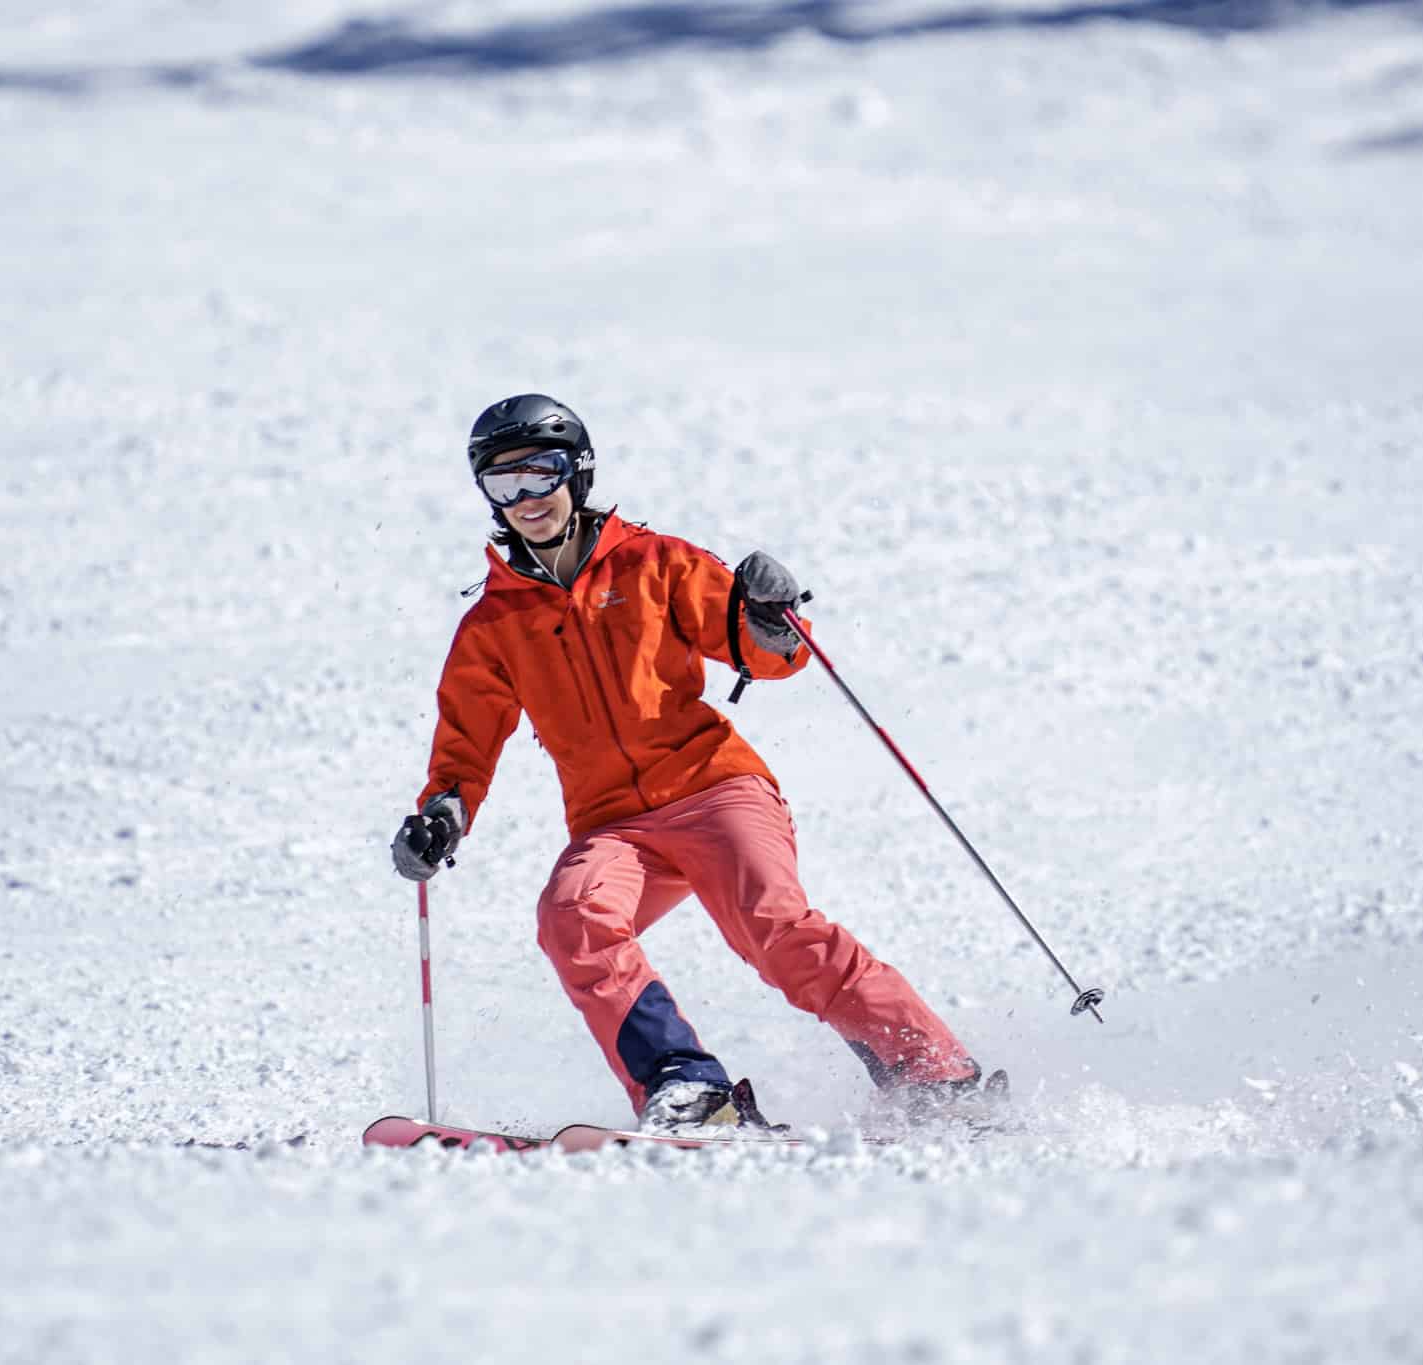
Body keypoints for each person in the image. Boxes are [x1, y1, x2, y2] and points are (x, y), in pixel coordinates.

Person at [391, 393, 984, 1132]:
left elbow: (764, 652)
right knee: (573, 917)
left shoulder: (655, 563)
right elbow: (466, 741)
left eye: (541, 474)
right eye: (503, 484)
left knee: (774, 927)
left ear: (577, 472)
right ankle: (686, 1086)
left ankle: (934, 1072)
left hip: (715, 790)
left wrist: (770, 619)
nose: (526, 499)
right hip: (615, 825)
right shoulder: (494, 623)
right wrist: (444, 811)